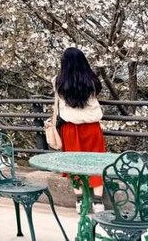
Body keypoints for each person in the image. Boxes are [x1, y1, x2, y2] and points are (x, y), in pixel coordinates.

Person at [54, 47, 105, 211]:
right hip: (92, 127)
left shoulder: (58, 81)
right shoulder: (92, 81)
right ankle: (98, 202)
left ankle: (80, 201)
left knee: (74, 164)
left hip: (69, 128)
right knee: (97, 162)